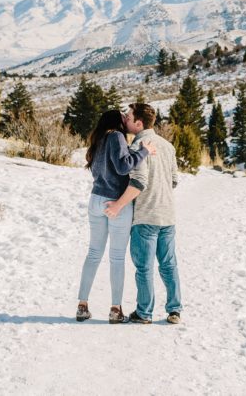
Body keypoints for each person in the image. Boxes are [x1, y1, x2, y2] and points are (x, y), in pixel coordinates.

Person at [105, 102, 183, 325]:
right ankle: (174, 310)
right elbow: (174, 180)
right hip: (167, 215)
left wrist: (118, 205)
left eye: (129, 117)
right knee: (169, 265)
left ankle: (144, 313)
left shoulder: (138, 146)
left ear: (139, 123)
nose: (125, 120)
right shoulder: (167, 146)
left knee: (144, 267)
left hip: (146, 216)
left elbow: (139, 181)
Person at [76, 109, 157, 324]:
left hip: (95, 199)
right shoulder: (117, 136)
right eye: (123, 115)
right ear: (116, 120)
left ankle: (82, 305)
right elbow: (123, 167)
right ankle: (115, 309)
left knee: (93, 254)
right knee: (117, 257)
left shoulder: (99, 138)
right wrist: (143, 152)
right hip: (116, 202)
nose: (126, 117)